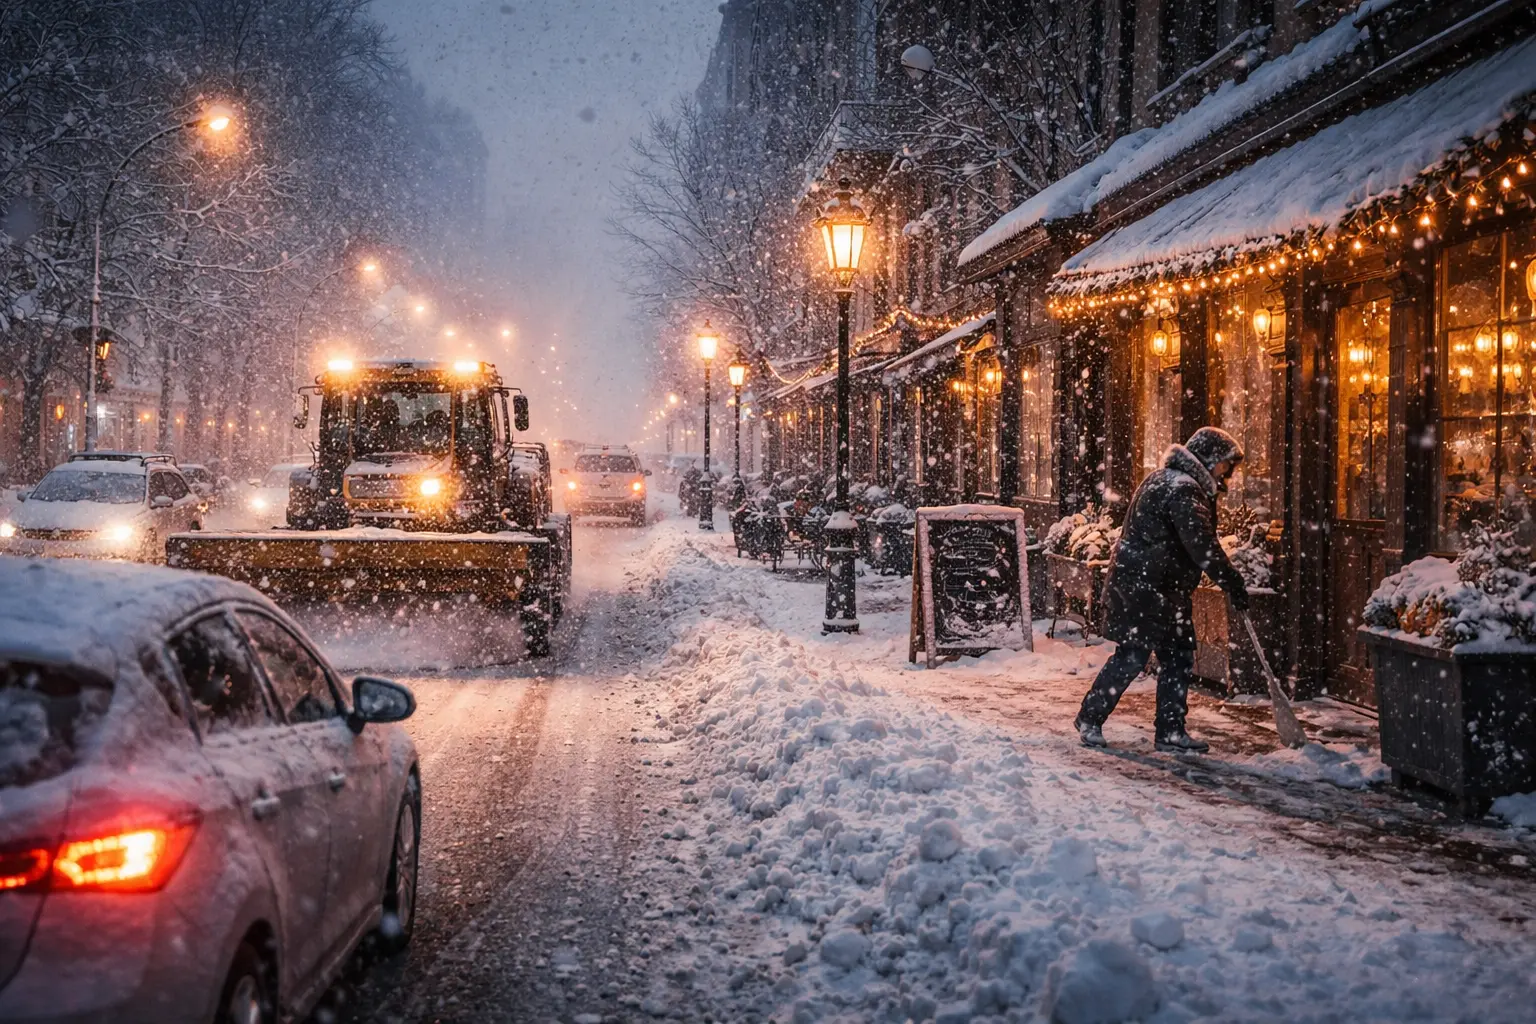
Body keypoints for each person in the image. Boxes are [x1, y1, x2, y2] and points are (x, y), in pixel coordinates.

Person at [1074, 427, 1251, 753]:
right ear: (1209, 459)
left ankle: (1170, 731)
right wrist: (1232, 582)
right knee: (1133, 657)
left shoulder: (1167, 479)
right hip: (1147, 589)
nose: (1226, 472)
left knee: (1177, 658)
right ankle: (1090, 717)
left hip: (1155, 588)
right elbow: (1201, 545)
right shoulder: (1184, 490)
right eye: (1224, 464)